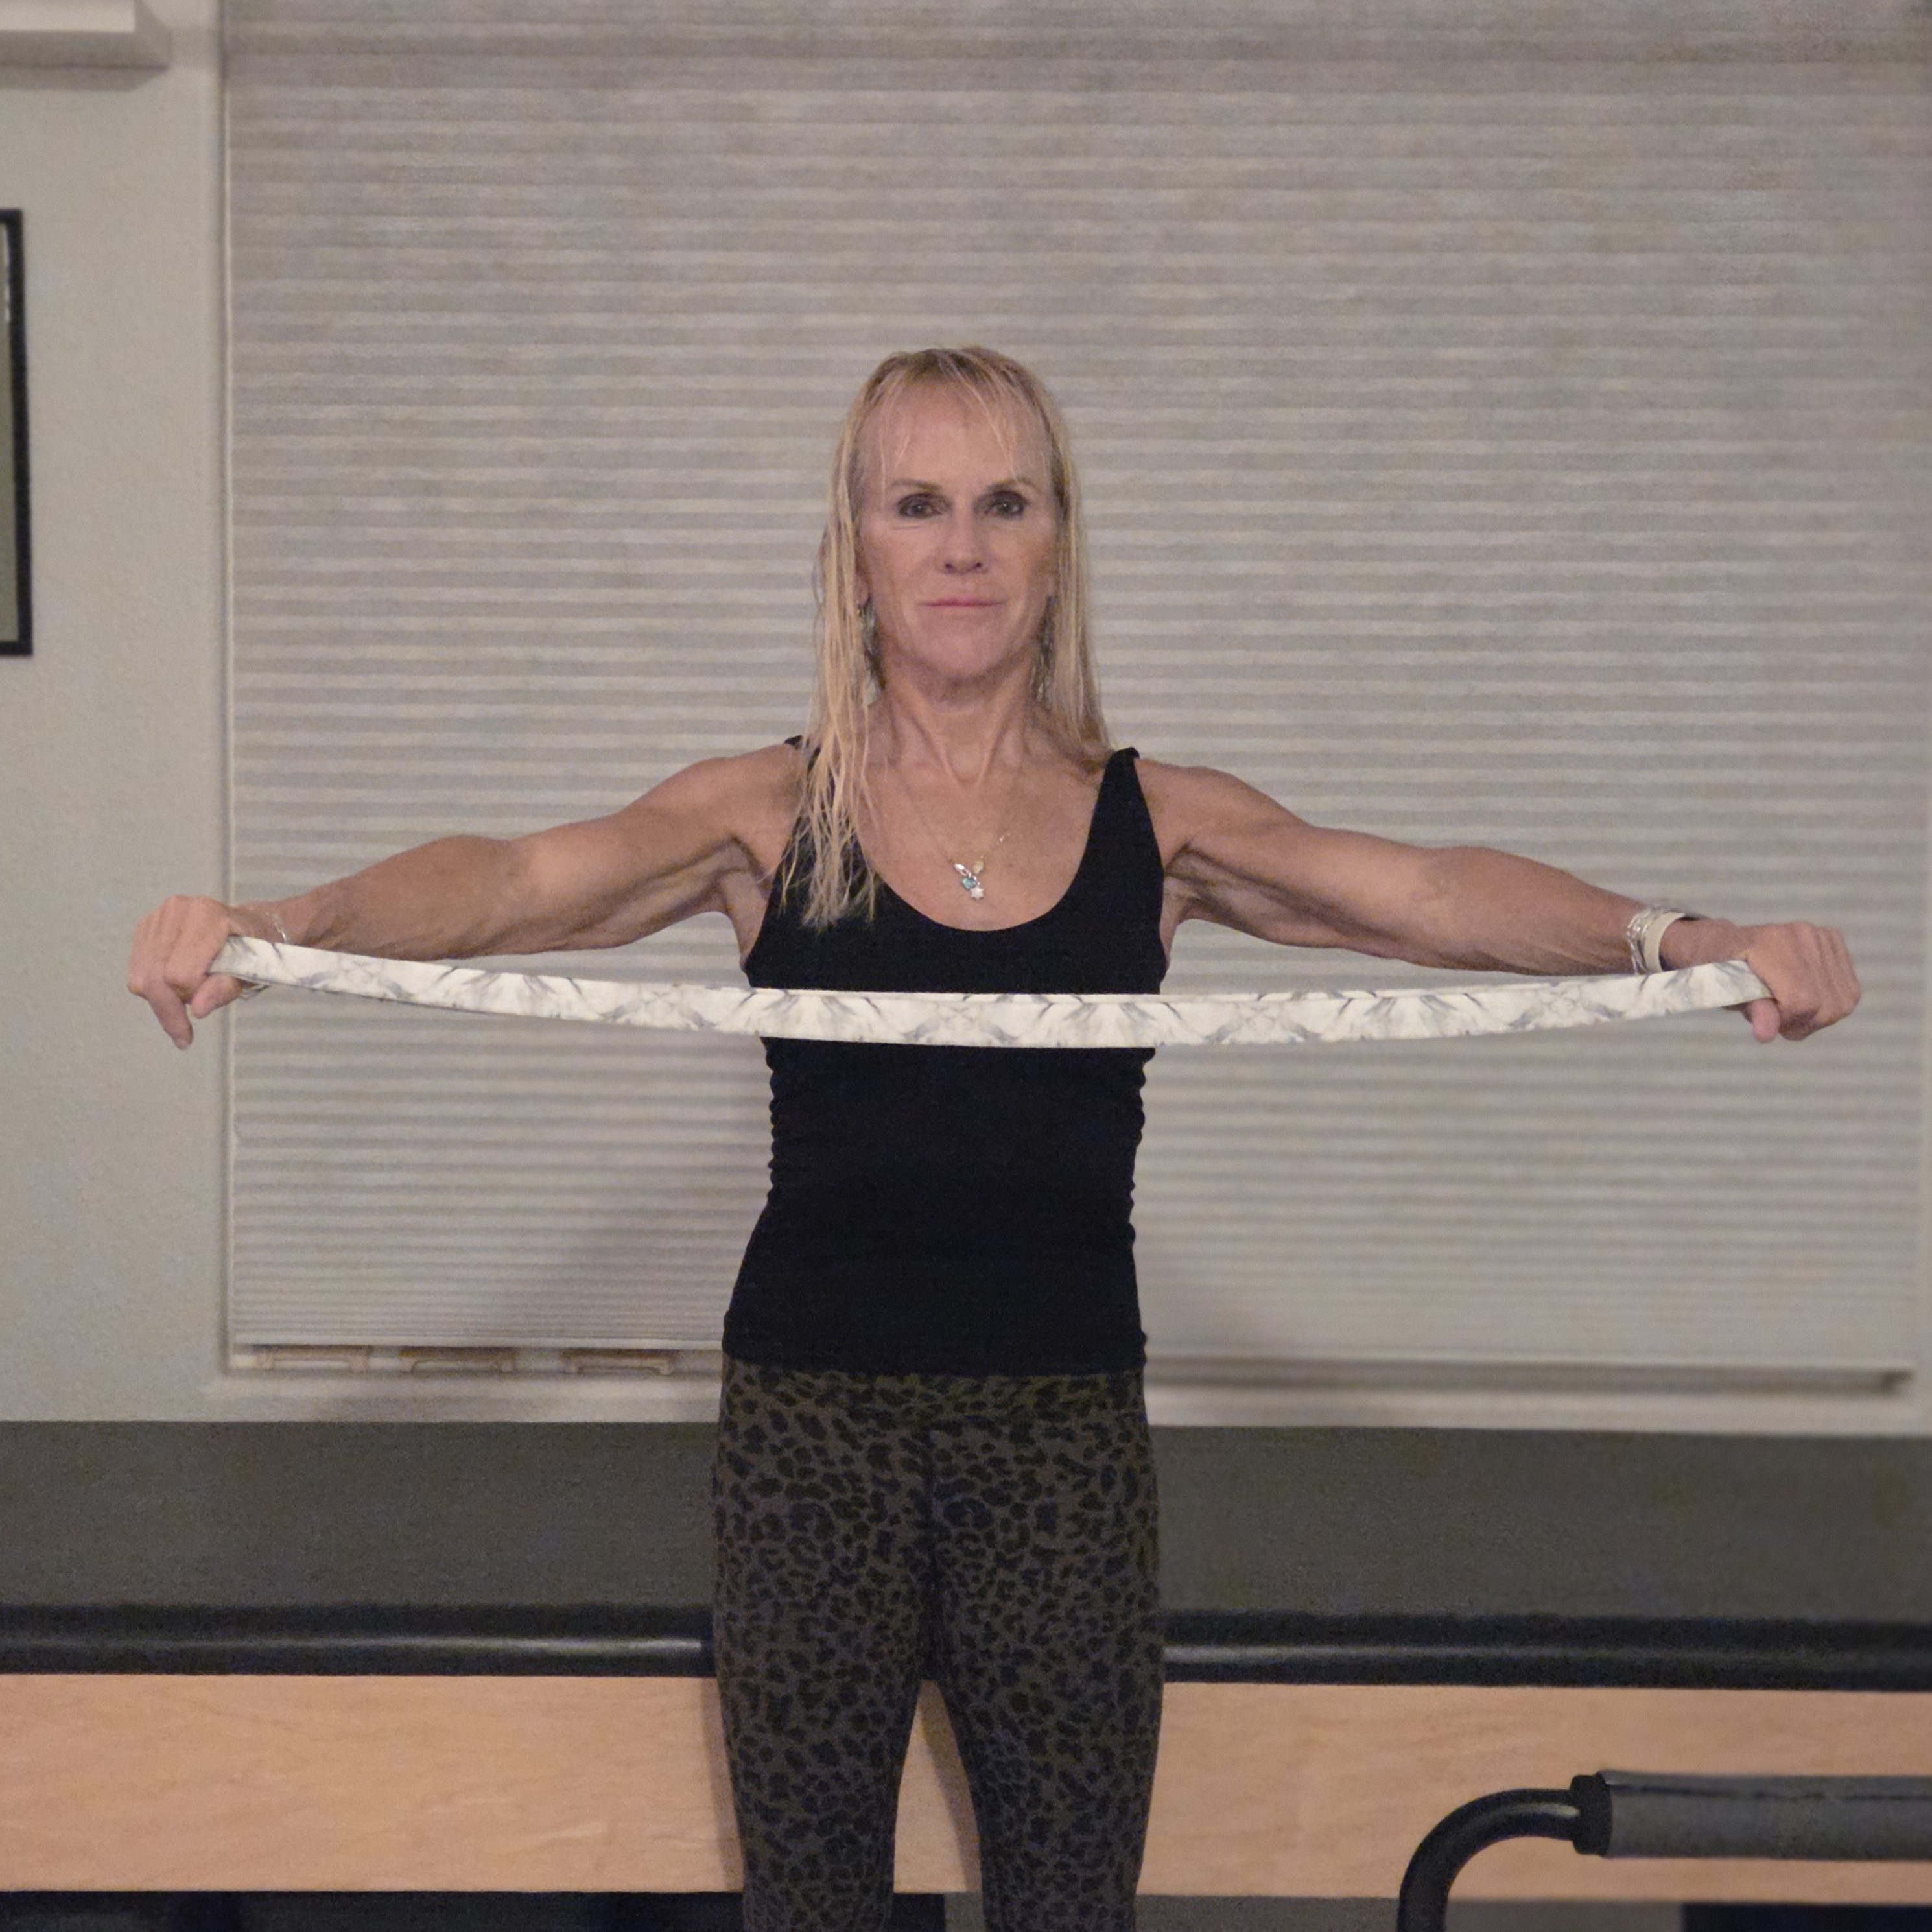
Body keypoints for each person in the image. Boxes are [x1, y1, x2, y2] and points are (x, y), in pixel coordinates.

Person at [129, 346, 1859, 1931]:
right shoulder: (764, 811)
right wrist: (278, 925)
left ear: (1051, 546)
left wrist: (1678, 938)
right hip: (813, 1436)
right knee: (810, 1909)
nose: (960, 546)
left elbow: (1420, 895)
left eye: (1001, 502)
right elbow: (511, 881)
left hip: (1060, 1435)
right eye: (917, 503)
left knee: (1066, 1908)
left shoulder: (1156, 822)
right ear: (859, 548)